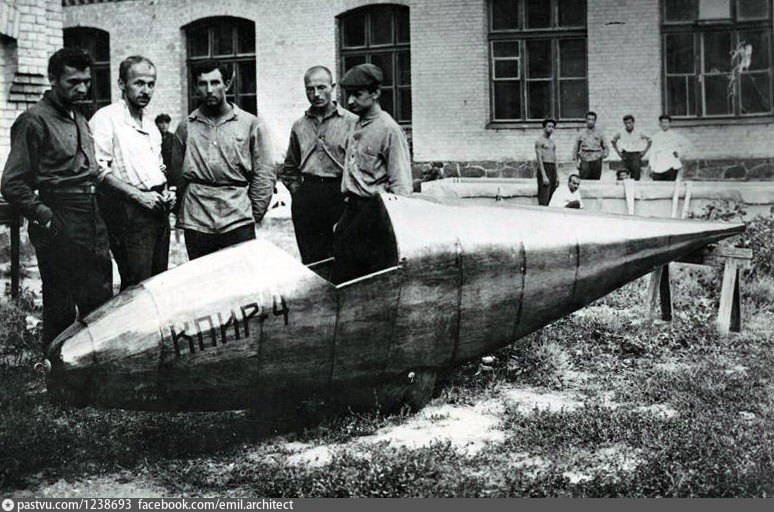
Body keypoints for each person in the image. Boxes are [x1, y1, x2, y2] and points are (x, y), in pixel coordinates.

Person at [1, 48, 113, 351]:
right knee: (61, 306)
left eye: (86, 81)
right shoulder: (33, 121)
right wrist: (45, 216)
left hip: (92, 217)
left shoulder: (80, 117)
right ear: (52, 79)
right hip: (61, 217)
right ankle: (58, 374)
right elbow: (12, 183)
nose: (82, 88)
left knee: (99, 301)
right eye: (73, 82)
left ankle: (95, 374)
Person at [171, 60, 275, 260]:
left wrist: (252, 213)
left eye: (215, 82)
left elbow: (265, 173)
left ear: (227, 84)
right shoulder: (186, 127)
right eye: (203, 84)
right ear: (196, 87)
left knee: (241, 276)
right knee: (203, 276)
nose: (209, 90)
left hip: (238, 217)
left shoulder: (250, 124)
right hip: (197, 219)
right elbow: (177, 177)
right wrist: (184, 211)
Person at [90, 56, 173, 290]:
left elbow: (158, 168)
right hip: (128, 212)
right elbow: (97, 170)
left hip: (157, 210)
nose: (146, 90)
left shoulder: (150, 124)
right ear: (121, 84)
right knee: (137, 286)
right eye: (139, 83)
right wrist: (138, 196)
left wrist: (167, 193)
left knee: (159, 283)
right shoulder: (106, 118)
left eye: (151, 84)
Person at [332, 63, 412, 283]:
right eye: (348, 95)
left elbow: (401, 187)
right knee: (343, 278)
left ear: (375, 93)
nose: (350, 101)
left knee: (370, 283)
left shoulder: (389, 129)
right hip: (352, 211)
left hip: (376, 215)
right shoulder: (356, 124)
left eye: (357, 95)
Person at [280, 66, 357, 264]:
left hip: (341, 195)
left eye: (321, 87)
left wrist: (350, 198)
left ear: (332, 87)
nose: (316, 94)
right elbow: (289, 167)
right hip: (308, 196)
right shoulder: (299, 125)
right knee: (313, 261)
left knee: (345, 258)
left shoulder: (351, 122)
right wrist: (298, 193)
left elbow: (358, 165)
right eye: (310, 89)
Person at [611, 114, 650, 181]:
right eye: (626, 123)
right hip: (625, 155)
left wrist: (644, 152)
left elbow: (649, 140)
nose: (628, 125)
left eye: (629, 123)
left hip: (635, 156)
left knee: (636, 176)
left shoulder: (639, 132)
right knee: (622, 174)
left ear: (633, 122)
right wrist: (618, 152)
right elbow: (613, 141)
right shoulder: (621, 132)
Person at [572, 111, 608, 180]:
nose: (591, 122)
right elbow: (575, 148)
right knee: (584, 180)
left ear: (595, 121)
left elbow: (605, 147)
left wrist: (603, 155)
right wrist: (576, 162)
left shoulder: (600, 133)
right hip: (585, 159)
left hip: (596, 159)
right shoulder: (581, 133)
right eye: (589, 119)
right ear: (586, 120)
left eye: (593, 120)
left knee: (596, 180)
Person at [648, 114, 684, 182]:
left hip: (671, 165)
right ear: (659, 124)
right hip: (658, 165)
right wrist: (651, 166)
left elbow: (683, 146)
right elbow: (652, 152)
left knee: (670, 184)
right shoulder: (656, 137)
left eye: (666, 122)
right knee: (658, 185)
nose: (664, 124)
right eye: (662, 122)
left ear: (669, 123)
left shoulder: (675, 136)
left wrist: (678, 152)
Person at [535, 118, 558, 206]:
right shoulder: (539, 141)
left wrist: (557, 175)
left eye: (552, 127)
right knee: (544, 196)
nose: (551, 128)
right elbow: (539, 158)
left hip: (552, 169)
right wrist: (544, 176)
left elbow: (555, 158)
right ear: (544, 128)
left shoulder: (552, 142)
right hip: (544, 167)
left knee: (552, 196)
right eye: (549, 126)